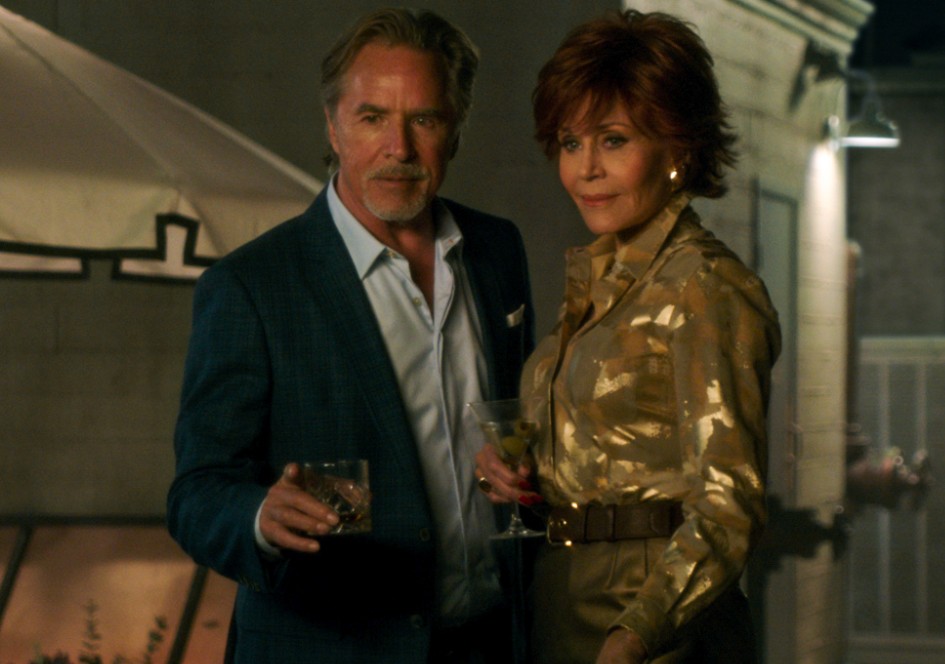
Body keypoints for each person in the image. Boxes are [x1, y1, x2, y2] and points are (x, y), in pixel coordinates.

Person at [167, 8, 534, 663]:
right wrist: (259, 516)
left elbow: (519, 421)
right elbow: (197, 492)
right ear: (332, 127)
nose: (399, 148)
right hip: (331, 646)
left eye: (424, 119)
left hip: (489, 644)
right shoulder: (252, 286)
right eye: (372, 118)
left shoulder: (496, 250)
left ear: (455, 129)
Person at [475, 9, 781, 664]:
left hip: (654, 619)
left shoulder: (703, 286)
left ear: (679, 148)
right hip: (563, 599)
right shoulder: (600, 280)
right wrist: (518, 474)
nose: (585, 168)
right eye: (569, 142)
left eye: (613, 140)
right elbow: (604, 459)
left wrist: (636, 634)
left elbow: (730, 505)